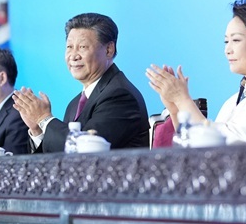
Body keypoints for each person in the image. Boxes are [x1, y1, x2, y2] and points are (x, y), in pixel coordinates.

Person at [147, 0, 246, 145]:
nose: (227, 50)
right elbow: (197, 150)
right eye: (226, 41)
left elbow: (229, 147)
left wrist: (183, 100)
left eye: (236, 40)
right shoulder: (232, 102)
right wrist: (177, 110)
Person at [13, 13, 149, 152]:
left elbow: (85, 149)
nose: (73, 56)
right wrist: (37, 130)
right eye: (69, 47)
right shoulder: (74, 104)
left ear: (109, 50)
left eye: (82, 47)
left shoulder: (120, 96)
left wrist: (44, 119)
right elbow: (60, 157)